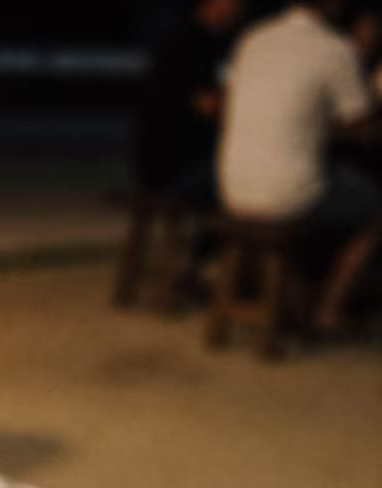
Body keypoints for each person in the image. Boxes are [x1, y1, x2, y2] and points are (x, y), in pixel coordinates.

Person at [219, 1, 382, 335]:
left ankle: (298, 300)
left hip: (231, 188)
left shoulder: (254, 38)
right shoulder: (334, 49)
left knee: (323, 184)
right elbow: (365, 130)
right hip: (287, 194)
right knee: (372, 208)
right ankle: (328, 309)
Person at [133, 0, 249, 208]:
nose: (240, 7)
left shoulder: (201, 41)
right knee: (249, 174)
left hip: (164, 164)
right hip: (174, 169)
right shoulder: (190, 47)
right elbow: (208, 106)